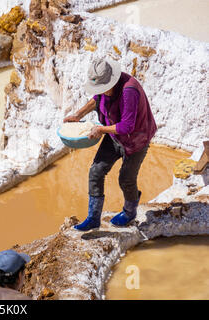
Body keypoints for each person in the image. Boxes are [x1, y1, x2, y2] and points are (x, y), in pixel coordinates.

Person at [64, 58, 157, 231]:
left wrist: (101, 130)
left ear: (112, 81)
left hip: (135, 139)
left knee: (126, 179)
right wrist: (78, 114)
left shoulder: (129, 91)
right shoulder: (104, 88)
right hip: (114, 135)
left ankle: (130, 212)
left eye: (102, 88)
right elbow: (96, 99)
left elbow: (127, 125)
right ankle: (93, 218)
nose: (101, 92)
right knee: (96, 171)